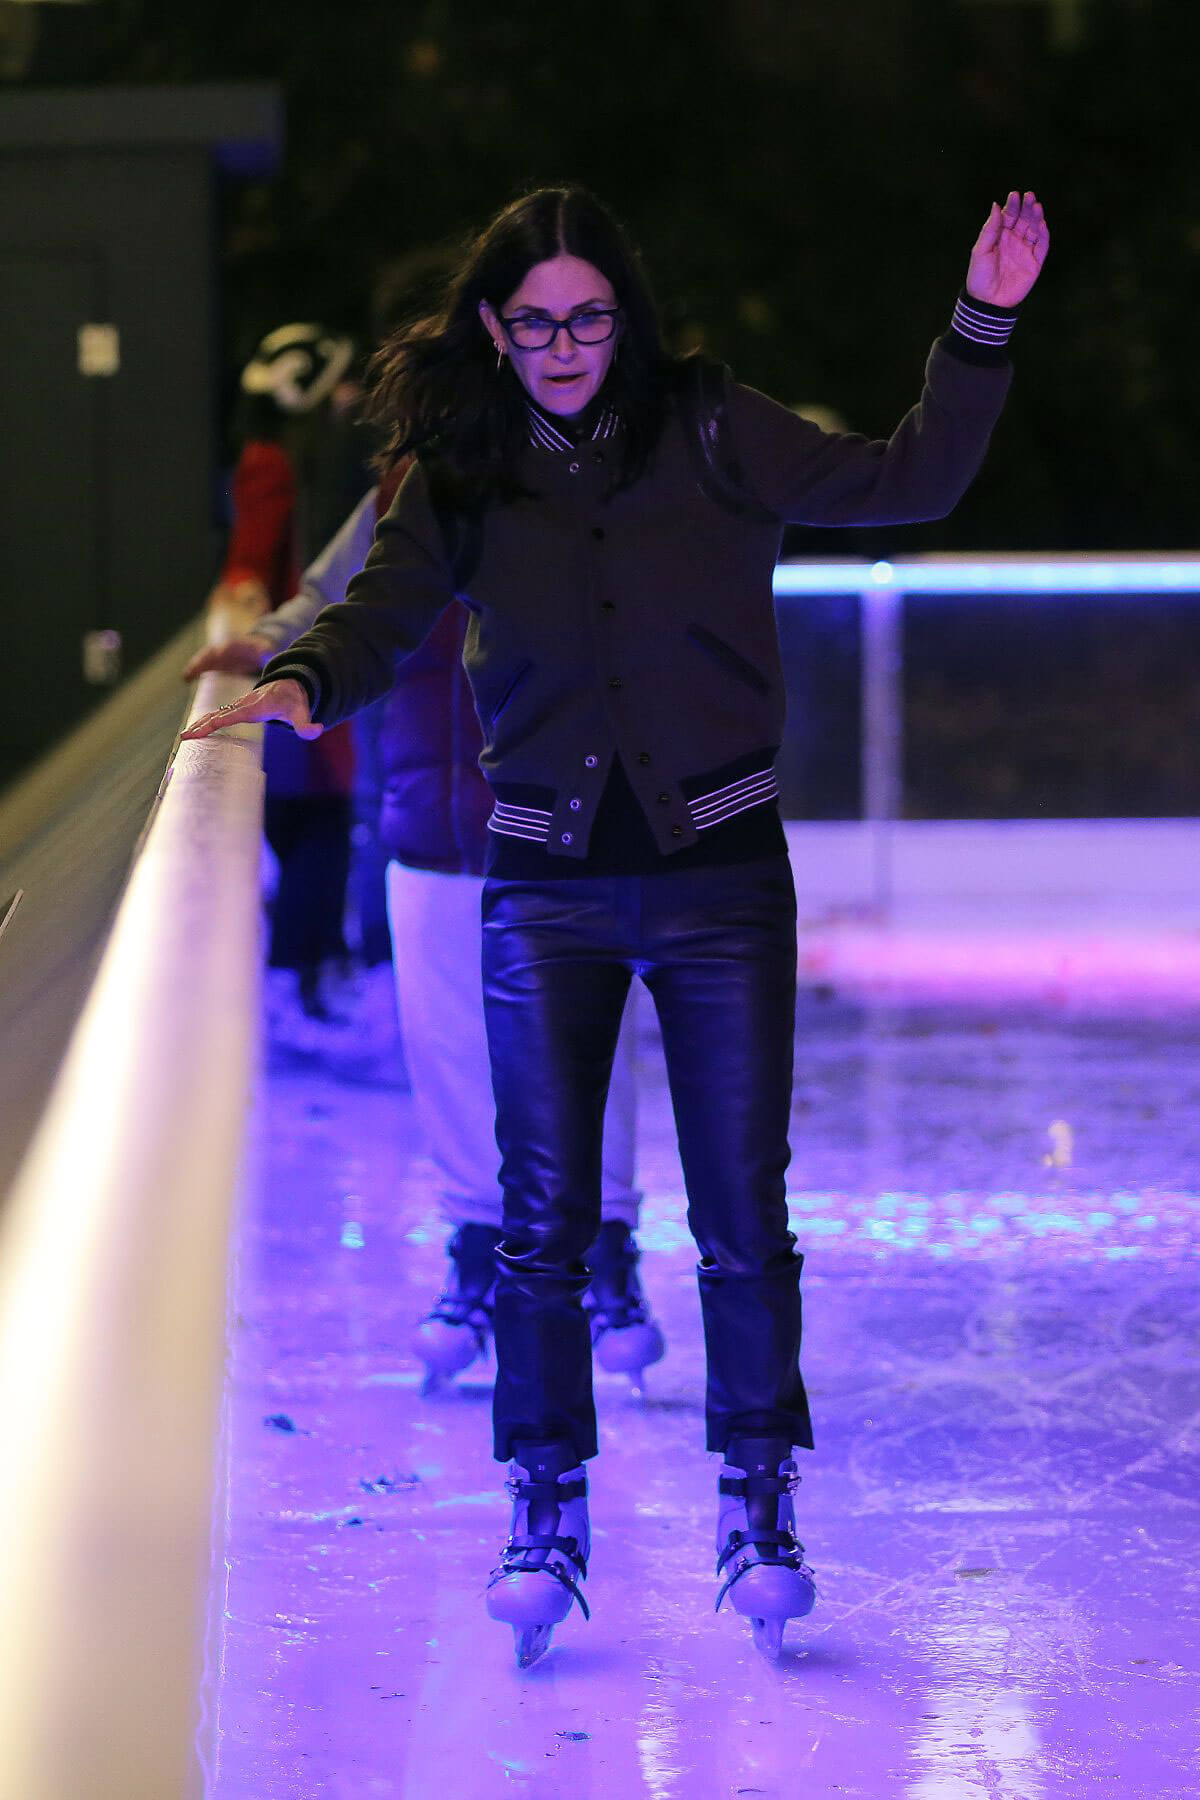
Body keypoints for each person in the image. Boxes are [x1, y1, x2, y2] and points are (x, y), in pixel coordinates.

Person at [184, 183, 1050, 1666]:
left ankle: (760, 1492)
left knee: (737, 1211)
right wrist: (304, 682)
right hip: (543, 886)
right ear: (495, 330)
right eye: (535, 322)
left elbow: (912, 476)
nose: (566, 345)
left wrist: (981, 323)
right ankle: (544, 1498)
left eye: (589, 317)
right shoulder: (460, 468)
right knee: (538, 1222)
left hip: (720, 879)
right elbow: (383, 611)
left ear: (625, 319)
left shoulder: (714, 426)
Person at [186, 474, 666, 1391]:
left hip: (576, 829)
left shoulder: (599, 464)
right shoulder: (404, 487)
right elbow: (334, 596)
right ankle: (477, 1247)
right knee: (448, 1048)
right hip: (430, 823)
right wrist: (270, 645)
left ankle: (607, 1251)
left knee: (589, 1048)